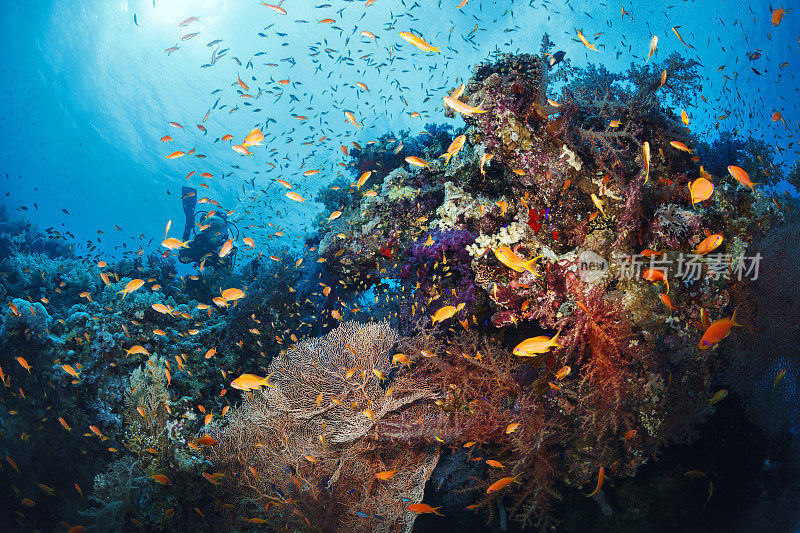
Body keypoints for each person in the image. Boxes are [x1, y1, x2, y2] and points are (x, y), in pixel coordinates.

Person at [178, 186, 235, 268]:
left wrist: (228, 253)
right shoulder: (199, 241)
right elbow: (182, 258)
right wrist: (188, 226)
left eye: (216, 228)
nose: (213, 232)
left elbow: (227, 268)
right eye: (210, 228)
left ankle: (189, 222)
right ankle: (189, 222)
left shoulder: (225, 245)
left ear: (223, 231)